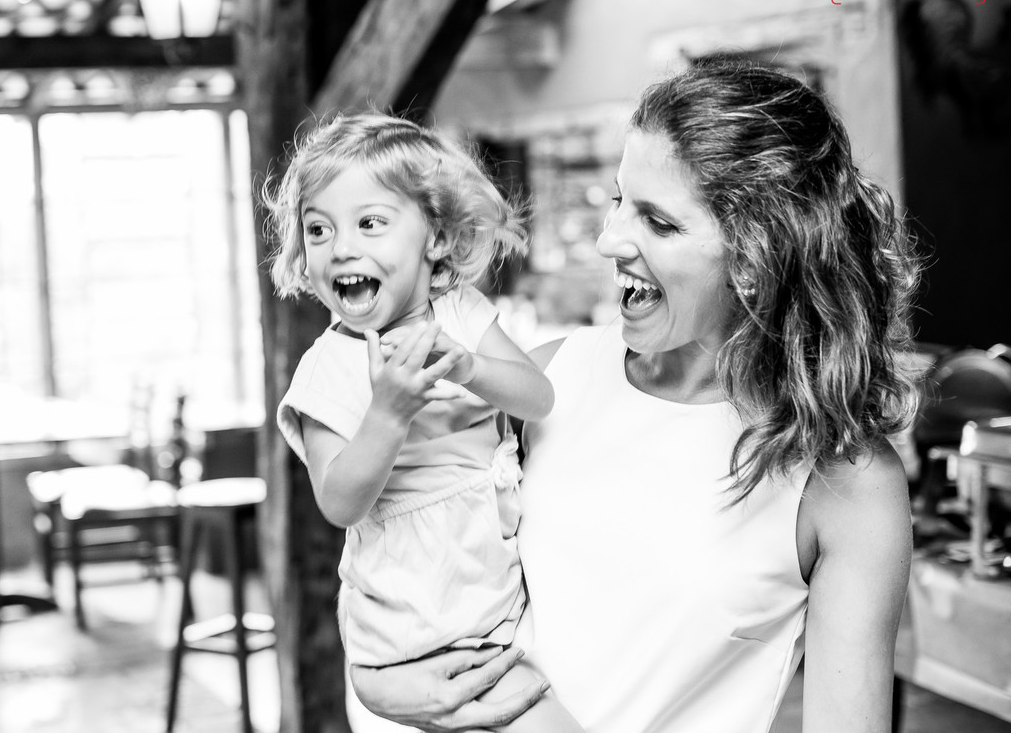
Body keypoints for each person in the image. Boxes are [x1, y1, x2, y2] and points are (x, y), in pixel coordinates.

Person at [349, 59, 920, 733]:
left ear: (758, 258)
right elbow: (400, 564)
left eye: (659, 221)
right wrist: (380, 681)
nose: (609, 238)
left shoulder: (845, 482)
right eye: (620, 199)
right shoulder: (546, 381)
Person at [269, 113, 583, 730]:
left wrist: (470, 368)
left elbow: (537, 398)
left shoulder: (461, 313)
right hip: (414, 622)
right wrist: (387, 413)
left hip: (487, 598)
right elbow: (339, 501)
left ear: (435, 238)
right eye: (318, 230)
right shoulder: (327, 369)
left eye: (370, 223)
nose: (342, 247)